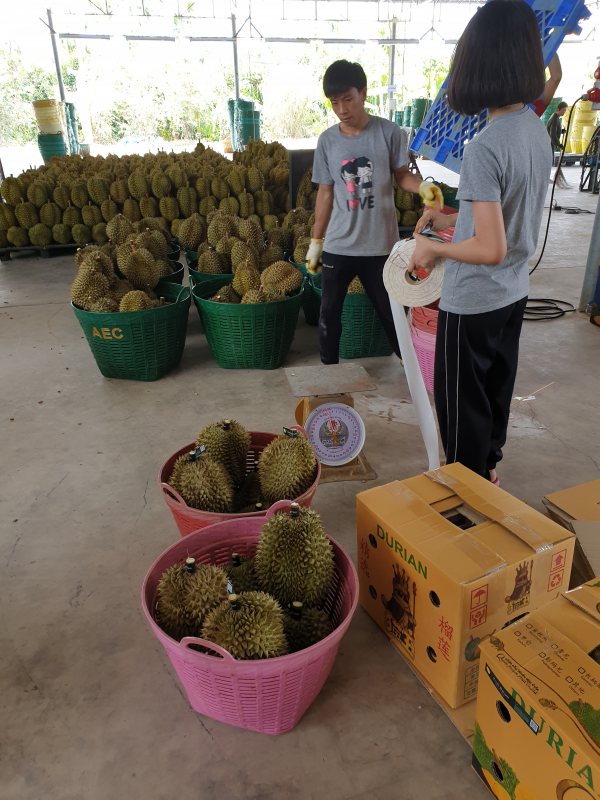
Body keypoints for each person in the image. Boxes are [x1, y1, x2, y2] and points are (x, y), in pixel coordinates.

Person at [409, 0, 552, 484]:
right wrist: (451, 215)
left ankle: (467, 502)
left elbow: (488, 248)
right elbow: (502, 221)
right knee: (492, 398)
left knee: (459, 410)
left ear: (476, 66)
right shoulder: (534, 129)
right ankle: (488, 474)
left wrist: (434, 248)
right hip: (512, 295)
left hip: (471, 304)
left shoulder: (484, 147)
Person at [308, 59, 442, 365]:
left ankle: (414, 370)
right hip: (339, 246)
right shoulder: (327, 141)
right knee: (328, 315)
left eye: (348, 99)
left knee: (393, 314)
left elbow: (402, 176)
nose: (342, 108)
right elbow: (326, 193)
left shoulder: (389, 132)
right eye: (334, 102)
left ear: (363, 93)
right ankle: (329, 375)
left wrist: (425, 188)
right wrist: (316, 243)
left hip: (380, 246)